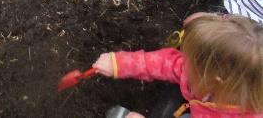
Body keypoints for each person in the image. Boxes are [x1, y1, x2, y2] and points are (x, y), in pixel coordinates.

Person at [93, 13, 263, 117]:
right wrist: (120, 63)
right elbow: (169, 63)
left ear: (216, 80)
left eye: (190, 62)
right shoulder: (227, 75)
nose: (183, 63)